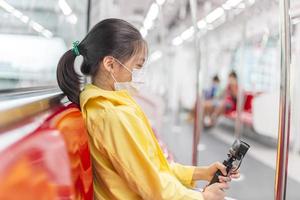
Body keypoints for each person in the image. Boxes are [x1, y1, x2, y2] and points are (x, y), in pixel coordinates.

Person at [56, 18, 239, 200]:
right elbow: (153, 187)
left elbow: (154, 167)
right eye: (137, 66)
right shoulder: (111, 115)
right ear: (110, 64)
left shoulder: (111, 105)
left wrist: (201, 173)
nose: (139, 74)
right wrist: (203, 198)